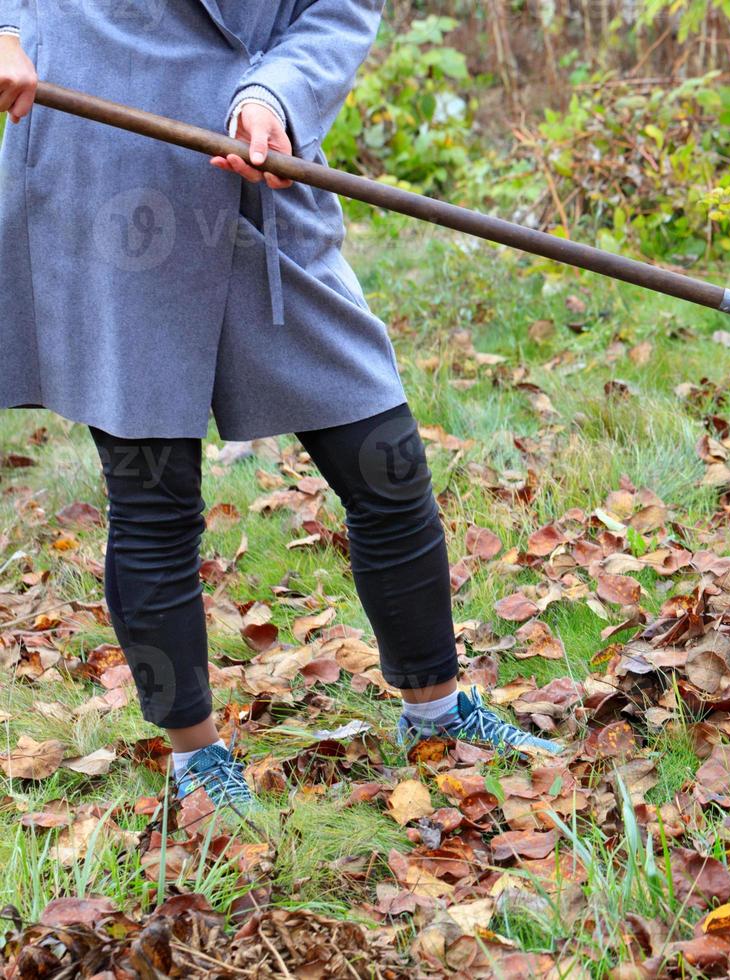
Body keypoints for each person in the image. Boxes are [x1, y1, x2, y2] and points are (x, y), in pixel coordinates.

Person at [0, 2, 560, 814]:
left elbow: (337, 8)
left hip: (259, 173)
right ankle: (195, 759)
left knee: (385, 459)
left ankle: (436, 710)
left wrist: (276, 94)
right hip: (111, 186)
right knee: (152, 496)